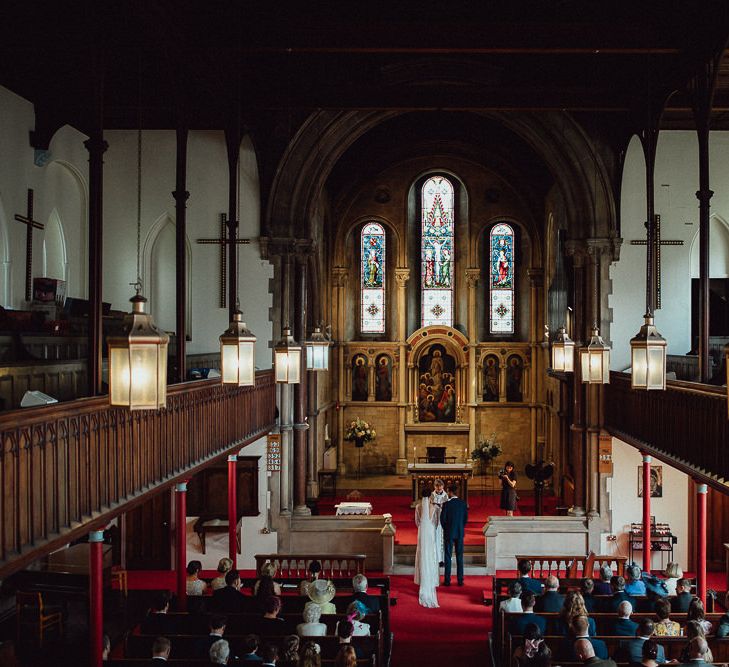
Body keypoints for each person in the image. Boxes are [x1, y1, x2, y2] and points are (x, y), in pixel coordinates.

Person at [414, 486, 441, 606]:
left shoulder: (418, 507)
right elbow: (435, 522)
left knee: (422, 553)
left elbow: (417, 522)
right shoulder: (434, 507)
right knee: (430, 554)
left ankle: (422, 579)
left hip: (422, 532)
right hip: (430, 532)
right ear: (430, 496)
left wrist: (422, 527)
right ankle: (430, 578)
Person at [440, 483, 468, 587]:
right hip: (460, 533)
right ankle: (460, 580)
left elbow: (443, 519)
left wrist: (447, 529)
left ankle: (447, 580)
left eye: (448, 491)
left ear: (450, 492)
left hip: (449, 533)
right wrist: (460, 527)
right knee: (460, 557)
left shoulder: (447, 504)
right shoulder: (463, 504)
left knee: (448, 556)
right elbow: (465, 519)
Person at [430, 478, 448, 565]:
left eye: (440, 488)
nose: (439, 490)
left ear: (443, 487)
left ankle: (443, 559)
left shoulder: (446, 496)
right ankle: (435, 558)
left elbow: (447, 507)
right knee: (435, 539)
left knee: (442, 540)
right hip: (434, 520)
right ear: (434, 487)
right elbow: (430, 506)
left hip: (443, 520)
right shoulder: (432, 495)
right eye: (437, 488)